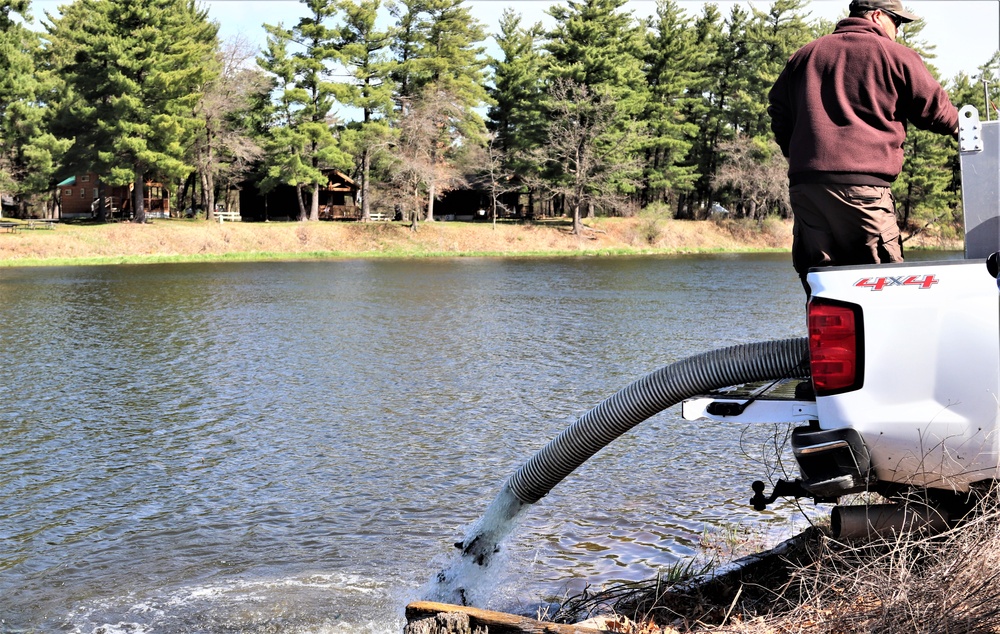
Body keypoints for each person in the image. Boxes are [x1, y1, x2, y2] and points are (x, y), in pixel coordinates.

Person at [768, 0, 959, 295]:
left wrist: (797, 154)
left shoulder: (805, 55)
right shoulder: (896, 56)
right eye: (897, 22)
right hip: (864, 191)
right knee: (882, 286)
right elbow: (935, 108)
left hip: (807, 189)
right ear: (878, 15)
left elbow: (779, 112)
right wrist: (963, 129)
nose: (898, 31)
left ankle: (826, 342)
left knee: (823, 285)